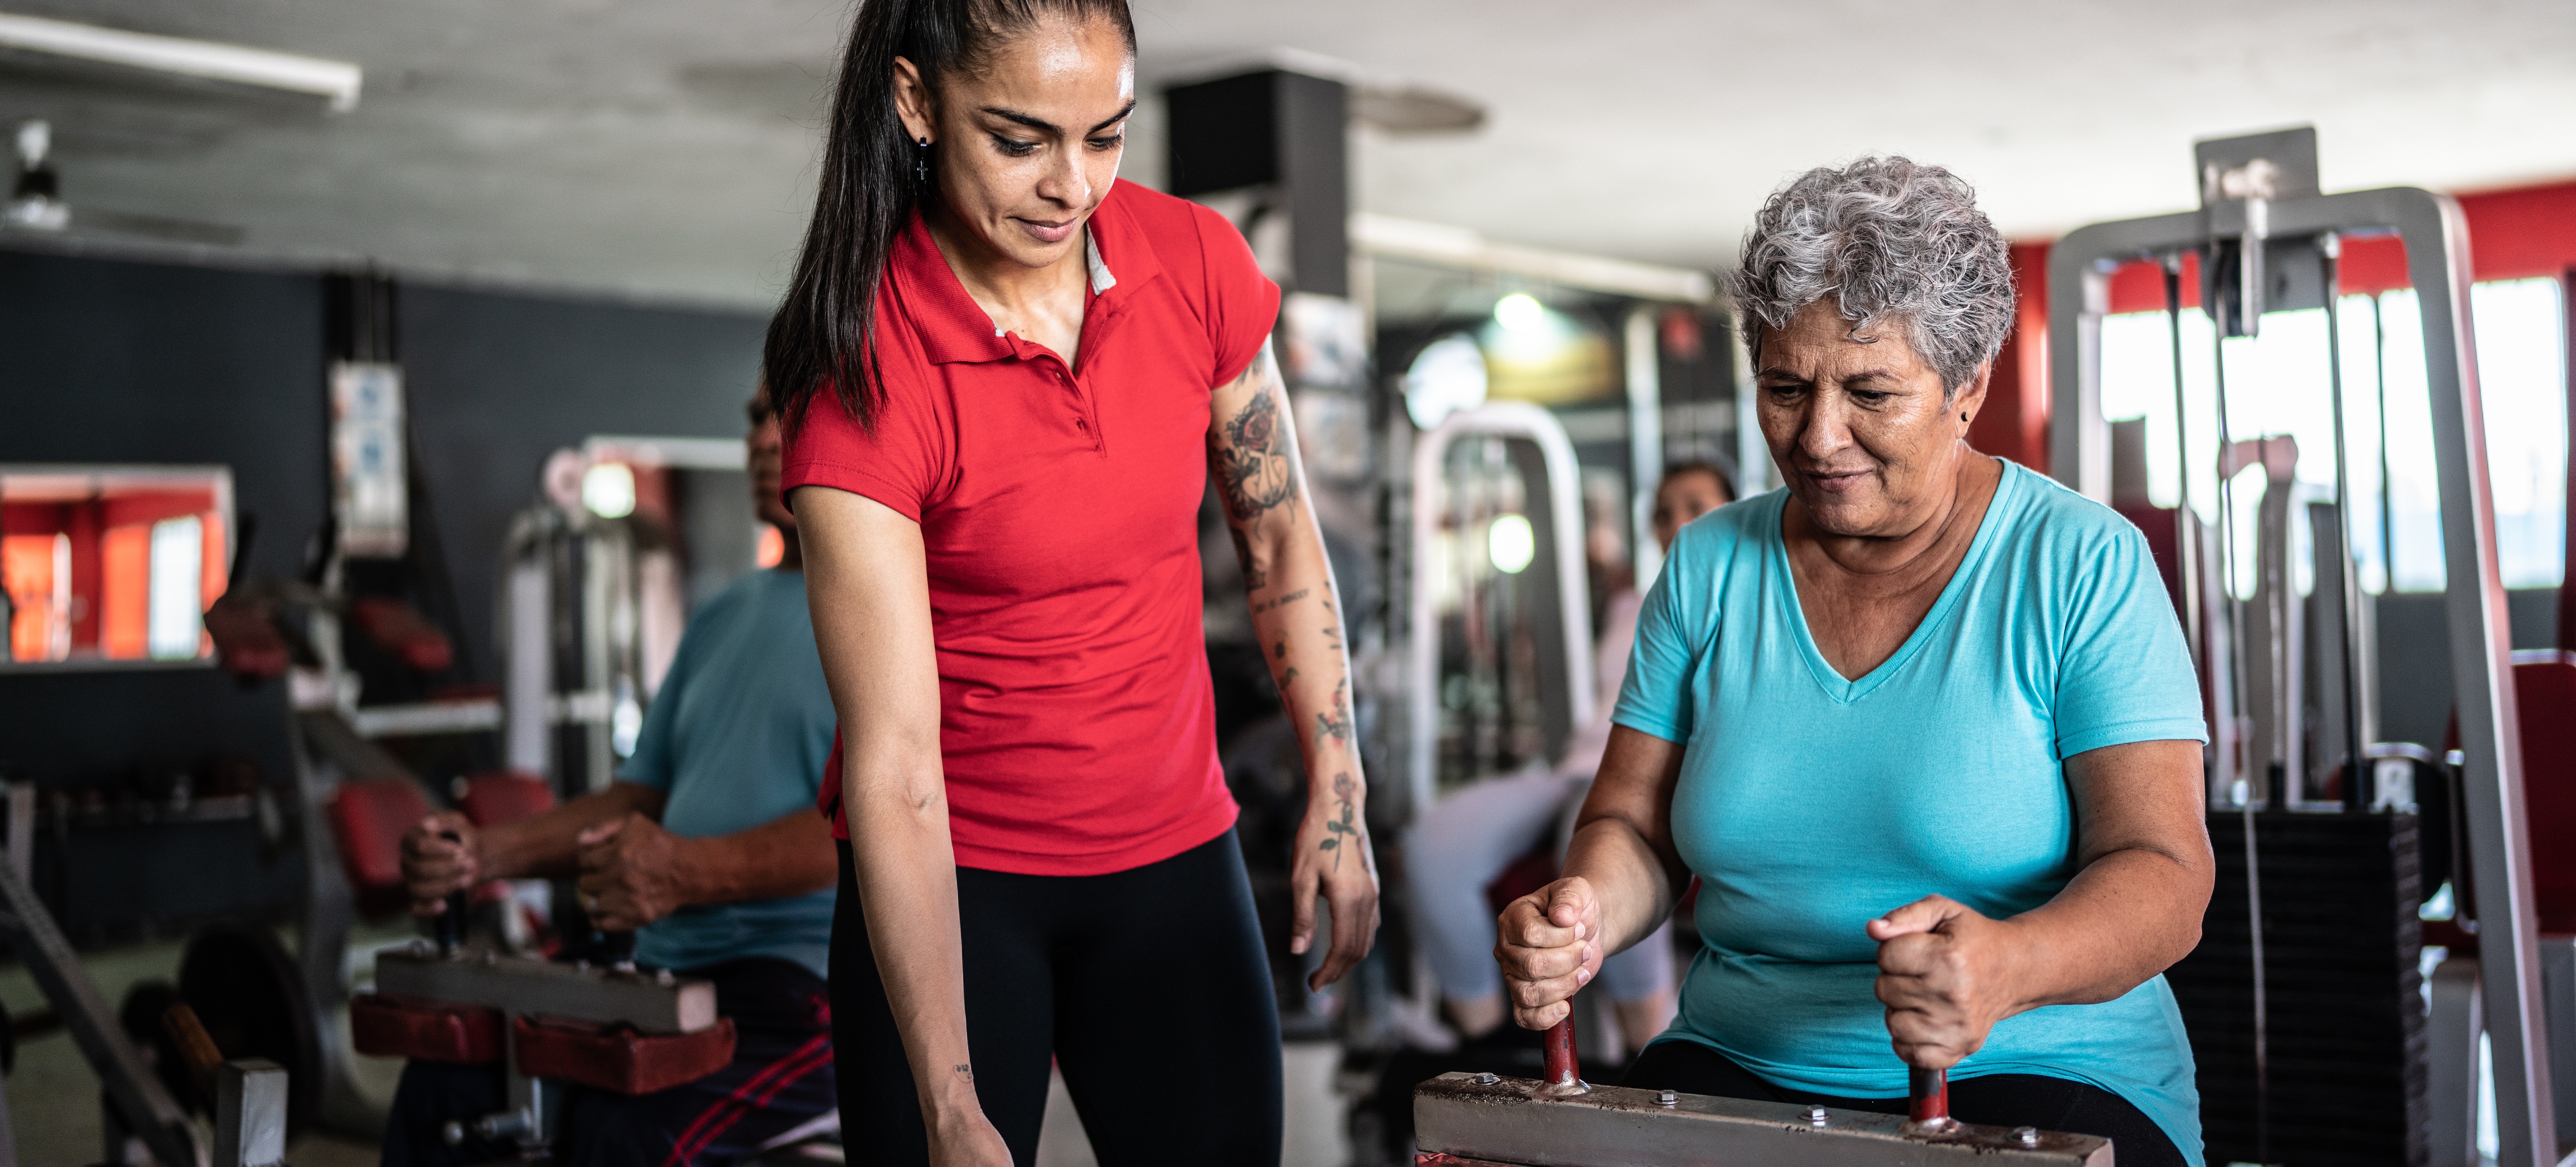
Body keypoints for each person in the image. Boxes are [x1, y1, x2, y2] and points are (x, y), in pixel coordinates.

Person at [1494, 157, 2211, 1167]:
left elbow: (2167, 874)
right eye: (1785, 388)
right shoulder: (1709, 566)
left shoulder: (2082, 562)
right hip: (1740, 1058)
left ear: (1968, 389)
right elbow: (1632, 827)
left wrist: (2009, 964)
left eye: (1871, 391)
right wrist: (1582, 914)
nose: (1818, 436)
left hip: (2044, 1061)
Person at [763, 0, 1378, 1162]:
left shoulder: (1194, 263)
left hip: (1174, 858)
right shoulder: (864, 368)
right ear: (916, 106)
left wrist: (1338, 798)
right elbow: (893, 766)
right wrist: (951, 1107)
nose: (1072, 184)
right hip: (958, 886)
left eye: (1106, 135)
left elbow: (1282, 536)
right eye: (1020, 139)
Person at [390, 389, 841, 1167]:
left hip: (804, 987)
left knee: (623, 1130)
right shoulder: (723, 615)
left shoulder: (903, 615)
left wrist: (686, 871)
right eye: (754, 419)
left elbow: (880, 819)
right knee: (446, 1079)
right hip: (662, 960)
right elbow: (641, 794)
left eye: (794, 413)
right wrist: (483, 855)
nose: (764, 440)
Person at [1407, 461, 1735, 1057]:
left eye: (1695, 505)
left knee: (1593, 847)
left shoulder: (1743, 605)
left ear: (1736, 511)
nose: (1678, 523)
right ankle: (1492, 1051)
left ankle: (1649, 1053)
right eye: (1664, 513)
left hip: (1659, 782)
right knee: (1436, 844)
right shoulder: (1632, 603)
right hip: (1579, 769)